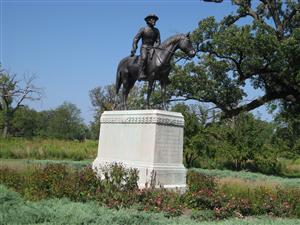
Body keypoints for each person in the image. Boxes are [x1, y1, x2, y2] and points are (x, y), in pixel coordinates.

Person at [130, 14, 161, 81]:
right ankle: (141, 73)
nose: (154, 20)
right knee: (144, 58)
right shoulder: (143, 29)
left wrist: (155, 47)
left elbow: (158, 41)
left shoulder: (157, 30)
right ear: (148, 20)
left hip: (153, 48)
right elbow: (136, 39)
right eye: (152, 19)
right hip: (144, 47)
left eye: (155, 19)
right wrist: (134, 48)